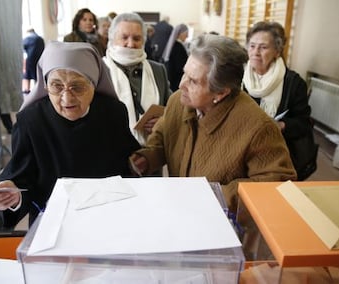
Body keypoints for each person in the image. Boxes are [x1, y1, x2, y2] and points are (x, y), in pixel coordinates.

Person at [0, 42, 141, 228]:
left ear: (94, 84)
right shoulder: (30, 120)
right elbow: (22, 176)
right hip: (54, 221)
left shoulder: (113, 111)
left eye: (77, 87)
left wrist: (140, 161)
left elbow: (128, 160)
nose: (66, 98)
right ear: (45, 85)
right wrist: (12, 194)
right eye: (56, 86)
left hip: (107, 215)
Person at [129, 34, 297, 212]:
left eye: (193, 81)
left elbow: (276, 183)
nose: (181, 85)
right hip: (181, 208)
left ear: (221, 93)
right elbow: (164, 135)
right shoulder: (178, 101)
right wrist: (147, 158)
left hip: (222, 221)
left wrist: (218, 195)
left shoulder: (258, 127)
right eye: (184, 74)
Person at [242, 21, 314, 180]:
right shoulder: (238, 78)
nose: (255, 52)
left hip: (277, 150)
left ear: (277, 51)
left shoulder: (293, 83)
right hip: (241, 146)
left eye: (263, 47)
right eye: (252, 46)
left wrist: (280, 125)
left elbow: (304, 123)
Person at [103, 12, 171, 145]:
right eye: (124, 37)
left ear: (144, 41)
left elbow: (172, 107)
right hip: (111, 153)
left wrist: (164, 120)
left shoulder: (158, 70)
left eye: (136, 38)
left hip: (151, 152)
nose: (130, 44)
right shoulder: (100, 69)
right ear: (111, 39)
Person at [161, 23, 189, 91]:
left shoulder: (174, 45)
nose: (187, 36)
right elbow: (180, 65)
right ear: (181, 33)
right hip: (177, 79)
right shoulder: (178, 47)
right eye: (186, 33)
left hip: (173, 77)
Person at [22, 28, 45, 94]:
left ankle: (27, 90)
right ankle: (37, 90)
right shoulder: (40, 39)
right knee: (37, 76)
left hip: (30, 60)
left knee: (27, 76)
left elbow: (23, 49)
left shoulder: (27, 39)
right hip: (39, 60)